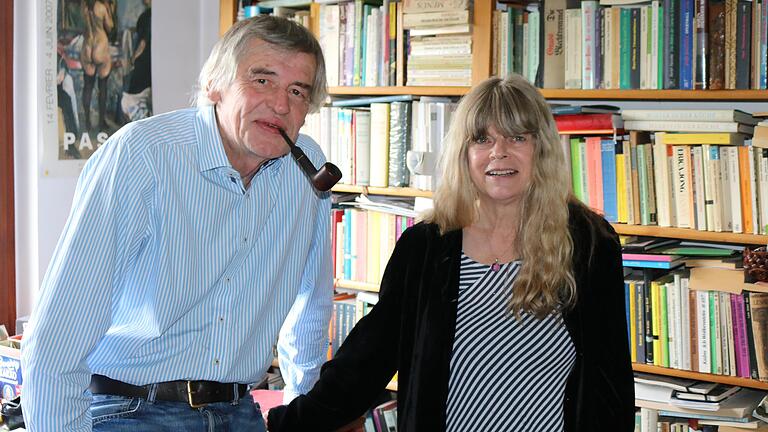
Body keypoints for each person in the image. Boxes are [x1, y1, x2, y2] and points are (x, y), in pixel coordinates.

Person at [267, 74, 635, 432]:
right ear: (464, 152)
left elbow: (610, 383)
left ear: (542, 149)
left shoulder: (588, 244)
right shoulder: (424, 249)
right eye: (481, 139)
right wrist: (288, 423)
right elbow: (364, 363)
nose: (499, 151)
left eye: (517, 137)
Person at [22, 15, 332, 431]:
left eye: (298, 91)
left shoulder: (306, 171)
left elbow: (312, 306)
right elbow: (58, 339)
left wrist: (301, 411)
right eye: (262, 80)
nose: (280, 104)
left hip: (240, 410)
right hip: (132, 408)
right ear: (214, 86)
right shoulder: (142, 157)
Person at [80, 0, 114, 131]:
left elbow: (82, 26)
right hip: (100, 45)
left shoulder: (84, 6)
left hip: (87, 46)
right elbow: (110, 26)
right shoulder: (101, 7)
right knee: (103, 86)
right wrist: (109, 10)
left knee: (88, 86)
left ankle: (87, 121)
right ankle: (101, 122)